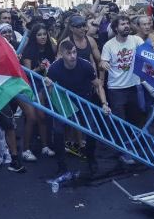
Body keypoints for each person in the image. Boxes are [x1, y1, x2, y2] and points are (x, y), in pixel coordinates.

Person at [44, 40, 110, 176]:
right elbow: (50, 91)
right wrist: (49, 86)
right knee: (58, 131)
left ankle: (91, 158)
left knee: (92, 130)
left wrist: (104, 103)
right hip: (65, 100)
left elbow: (98, 85)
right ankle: (61, 165)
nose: (73, 56)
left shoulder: (85, 65)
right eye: (69, 53)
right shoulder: (55, 68)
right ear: (62, 54)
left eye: (74, 52)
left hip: (83, 100)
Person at [99, 15, 144, 165]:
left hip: (133, 86)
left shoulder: (136, 40)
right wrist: (103, 64)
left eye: (127, 23)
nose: (126, 26)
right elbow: (103, 61)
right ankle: (124, 151)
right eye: (122, 24)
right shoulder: (109, 45)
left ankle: (131, 147)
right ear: (115, 28)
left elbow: (148, 46)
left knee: (134, 119)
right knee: (120, 122)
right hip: (116, 89)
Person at [18, 23, 56, 161]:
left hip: (44, 86)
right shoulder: (29, 51)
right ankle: (25, 149)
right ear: (34, 37)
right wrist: (40, 68)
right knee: (32, 118)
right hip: (29, 86)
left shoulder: (49, 49)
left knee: (42, 117)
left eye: (44, 34)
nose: (42, 37)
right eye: (39, 34)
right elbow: (28, 74)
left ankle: (45, 146)